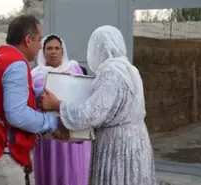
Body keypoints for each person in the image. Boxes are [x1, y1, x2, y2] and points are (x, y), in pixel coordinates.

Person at [41, 25, 156, 185]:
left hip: (117, 145)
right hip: (137, 140)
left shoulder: (110, 73)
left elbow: (92, 113)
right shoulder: (130, 69)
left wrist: (58, 104)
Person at [0, 15, 63, 185]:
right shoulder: (16, 64)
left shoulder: (0, 56)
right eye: (39, 40)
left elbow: (5, 94)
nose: (41, 46)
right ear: (27, 40)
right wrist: (52, 123)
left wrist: (38, 95)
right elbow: (17, 114)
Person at [31, 34, 91, 185]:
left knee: (73, 170)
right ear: (43, 52)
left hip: (71, 132)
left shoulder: (75, 70)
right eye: (49, 48)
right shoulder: (35, 75)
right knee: (51, 170)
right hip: (48, 134)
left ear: (62, 51)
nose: (53, 52)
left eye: (57, 48)